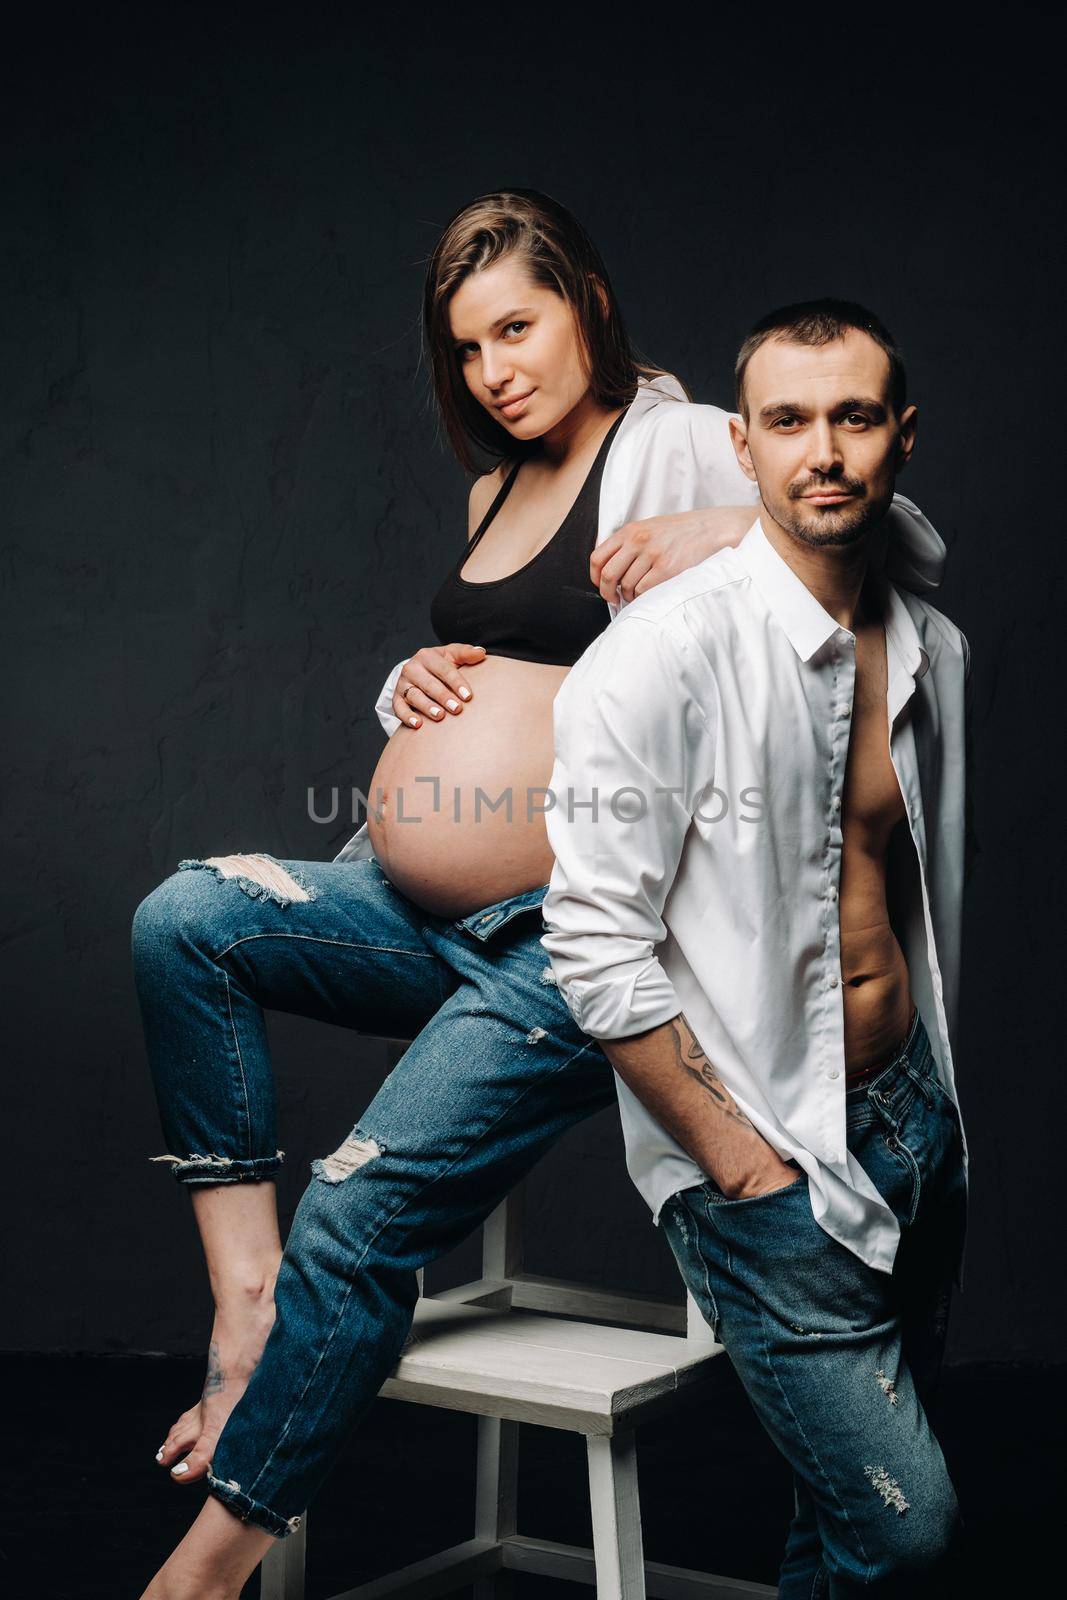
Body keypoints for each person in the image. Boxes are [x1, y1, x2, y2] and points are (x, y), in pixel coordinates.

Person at [132, 187, 946, 1599]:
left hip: (561, 943)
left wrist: (722, 535)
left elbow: (880, 525)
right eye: (467, 348)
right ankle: (245, 1312)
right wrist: (411, 682)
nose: (495, 369)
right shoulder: (492, 485)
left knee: (364, 1203)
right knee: (183, 919)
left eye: (519, 325)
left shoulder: (688, 434)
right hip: (421, 908)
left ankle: (206, 1569)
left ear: (591, 306)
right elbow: (508, 664)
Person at [541, 299, 974, 1596]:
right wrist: (741, 1168)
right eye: (788, 419)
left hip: (912, 1119)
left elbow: (903, 545)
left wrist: (932, 1101)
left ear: (902, 435)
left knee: (840, 1523)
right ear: (742, 444)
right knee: (907, 1525)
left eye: (853, 417)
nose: (822, 450)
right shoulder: (660, 660)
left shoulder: (922, 643)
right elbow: (591, 942)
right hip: (764, 1144)